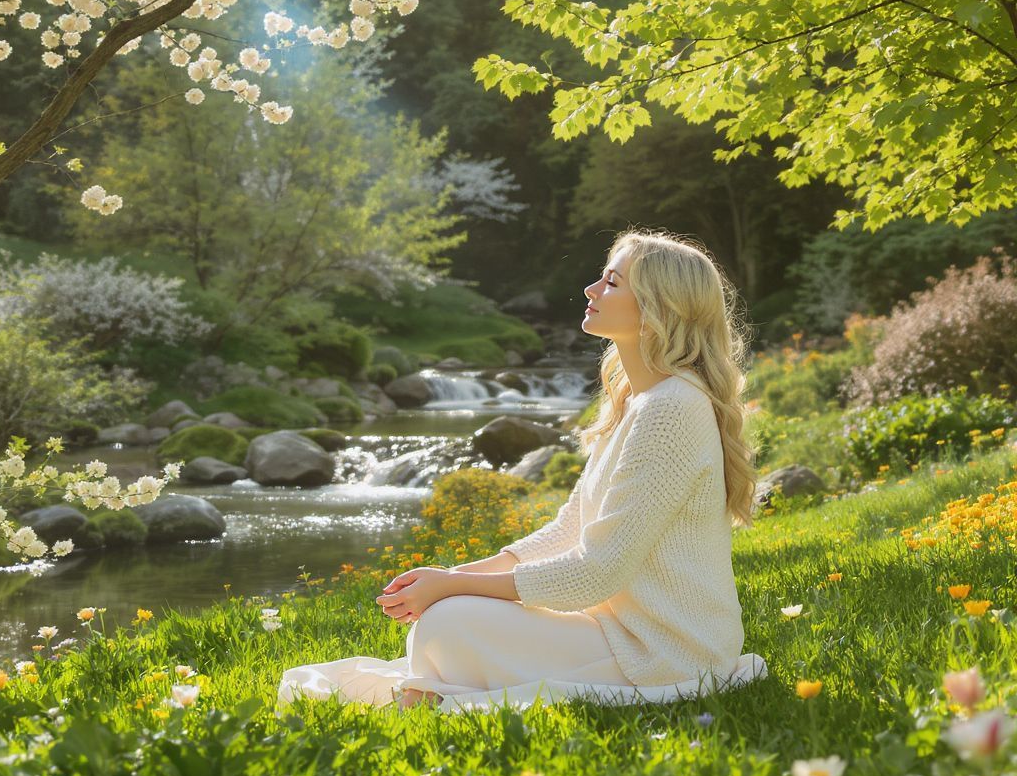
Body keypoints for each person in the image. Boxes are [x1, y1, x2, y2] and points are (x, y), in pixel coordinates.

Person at [276, 229, 768, 713]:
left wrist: (454, 588)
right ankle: (441, 679)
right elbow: (569, 531)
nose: (592, 291)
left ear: (660, 308)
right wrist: (454, 574)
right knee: (448, 619)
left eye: (613, 283)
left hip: (665, 654)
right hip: (620, 633)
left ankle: (439, 685)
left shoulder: (671, 408)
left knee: (449, 622)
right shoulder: (636, 404)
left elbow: (595, 573)